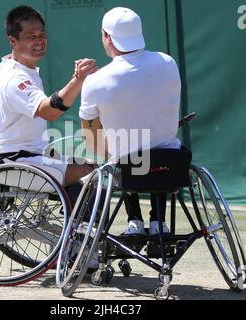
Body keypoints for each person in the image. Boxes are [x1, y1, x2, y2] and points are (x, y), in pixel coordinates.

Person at [79, 7, 182, 235]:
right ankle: (158, 222)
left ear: (107, 36)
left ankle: (135, 221)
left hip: (128, 169)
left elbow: (90, 136)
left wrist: (109, 153)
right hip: (173, 165)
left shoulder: (95, 80)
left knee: (123, 156)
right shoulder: (168, 62)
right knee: (151, 152)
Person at [0, 5, 98, 195]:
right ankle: (80, 224)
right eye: (31, 36)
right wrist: (78, 80)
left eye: (42, 34)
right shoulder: (14, 78)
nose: (39, 40)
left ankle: (77, 222)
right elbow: (49, 111)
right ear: (13, 41)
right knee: (91, 173)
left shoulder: (16, 68)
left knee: (92, 165)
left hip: (32, 155)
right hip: (12, 160)